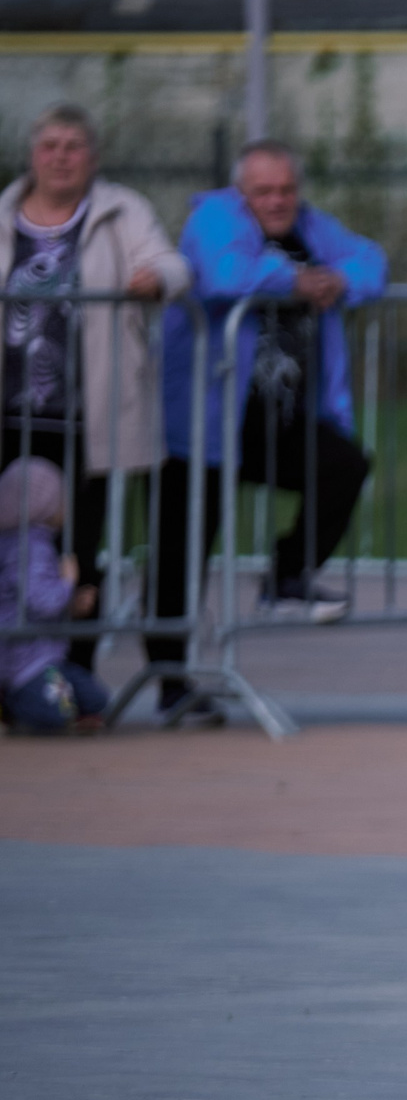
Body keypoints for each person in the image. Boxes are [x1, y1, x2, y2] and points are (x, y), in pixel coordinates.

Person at [158, 141, 384, 719]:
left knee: (344, 466)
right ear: (243, 193)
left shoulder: (312, 226)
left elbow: (370, 261)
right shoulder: (215, 218)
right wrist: (297, 281)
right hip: (204, 419)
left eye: (286, 189)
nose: (278, 200)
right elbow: (223, 273)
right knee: (182, 549)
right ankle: (171, 681)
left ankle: (288, 573)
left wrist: (338, 280)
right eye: (264, 191)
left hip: (277, 418)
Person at [1, 103, 189, 678]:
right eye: (51, 145)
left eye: (74, 146)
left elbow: (171, 262)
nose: (61, 157)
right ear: (32, 155)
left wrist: (157, 279)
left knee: (79, 552)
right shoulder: (3, 213)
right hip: (10, 417)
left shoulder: (122, 210)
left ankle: (73, 673)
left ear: (93, 157)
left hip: (89, 417)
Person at [0, 456, 108, 734]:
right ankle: (11, 702)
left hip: (45, 657)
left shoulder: (30, 543)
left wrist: (71, 606)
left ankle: (36, 702)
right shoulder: (30, 548)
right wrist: (68, 582)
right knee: (58, 714)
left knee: (95, 699)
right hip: (25, 663)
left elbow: (32, 602)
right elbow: (43, 601)